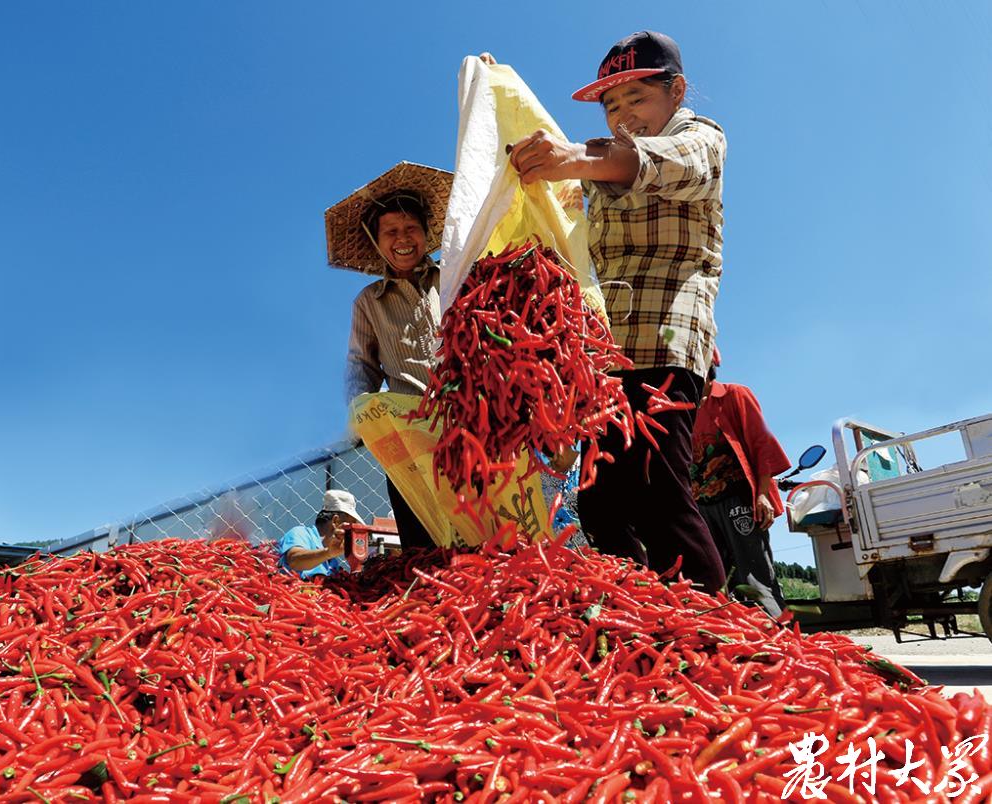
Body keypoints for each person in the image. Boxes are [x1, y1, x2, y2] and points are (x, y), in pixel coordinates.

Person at [487, 31, 727, 590]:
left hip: (663, 340)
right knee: (601, 504)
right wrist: (500, 100)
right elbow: (565, 228)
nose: (623, 117)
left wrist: (572, 156)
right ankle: (639, 623)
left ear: (677, 91)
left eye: (637, 98)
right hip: (604, 361)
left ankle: (719, 628)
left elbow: (668, 163)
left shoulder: (699, 138)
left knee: (659, 490)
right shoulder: (599, 170)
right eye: (611, 106)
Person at [328, 163, 453, 550]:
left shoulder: (454, 276)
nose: (403, 239)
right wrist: (359, 416)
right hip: (410, 436)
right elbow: (360, 368)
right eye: (391, 232)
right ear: (376, 240)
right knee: (422, 544)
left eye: (411, 228)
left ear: (426, 233)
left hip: (468, 425)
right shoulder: (369, 303)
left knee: (479, 538)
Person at [690, 359, 791, 617]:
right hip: (700, 505)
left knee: (754, 573)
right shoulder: (685, 410)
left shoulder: (734, 395)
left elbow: (761, 442)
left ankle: (776, 634)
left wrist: (762, 495)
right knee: (713, 577)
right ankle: (732, 638)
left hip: (738, 500)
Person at [276, 490, 362, 579]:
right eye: (349, 525)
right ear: (335, 521)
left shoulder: (333, 562)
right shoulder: (301, 533)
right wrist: (328, 553)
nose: (351, 532)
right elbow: (294, 560)